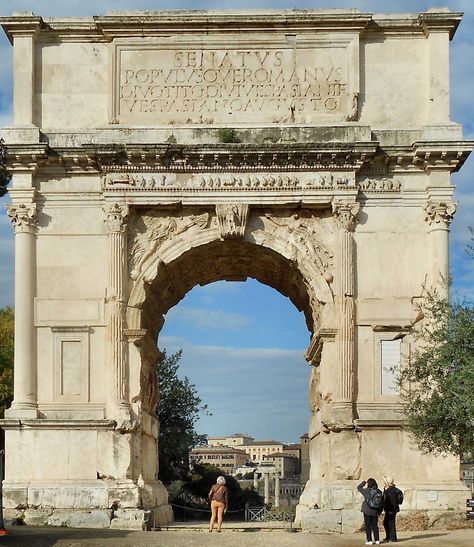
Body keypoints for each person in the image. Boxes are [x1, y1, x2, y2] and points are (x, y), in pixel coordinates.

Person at [357, 478, 382, 545]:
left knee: (368, 526)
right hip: (375, 511)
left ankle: (369, 540)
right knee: (375, 525)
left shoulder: (366, 491)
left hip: (367, 511)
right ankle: (377, 540)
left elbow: (359, 487)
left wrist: (364, 482)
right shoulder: (379, 491)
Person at [382, 475, 400, 543]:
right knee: (386, 523)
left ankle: (393, 538)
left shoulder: (391, 491)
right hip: (389, 510)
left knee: (390, 523)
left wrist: (391, 510)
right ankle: (389, 537)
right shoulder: (389, 489)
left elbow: (393, 502)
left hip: (391, 510)